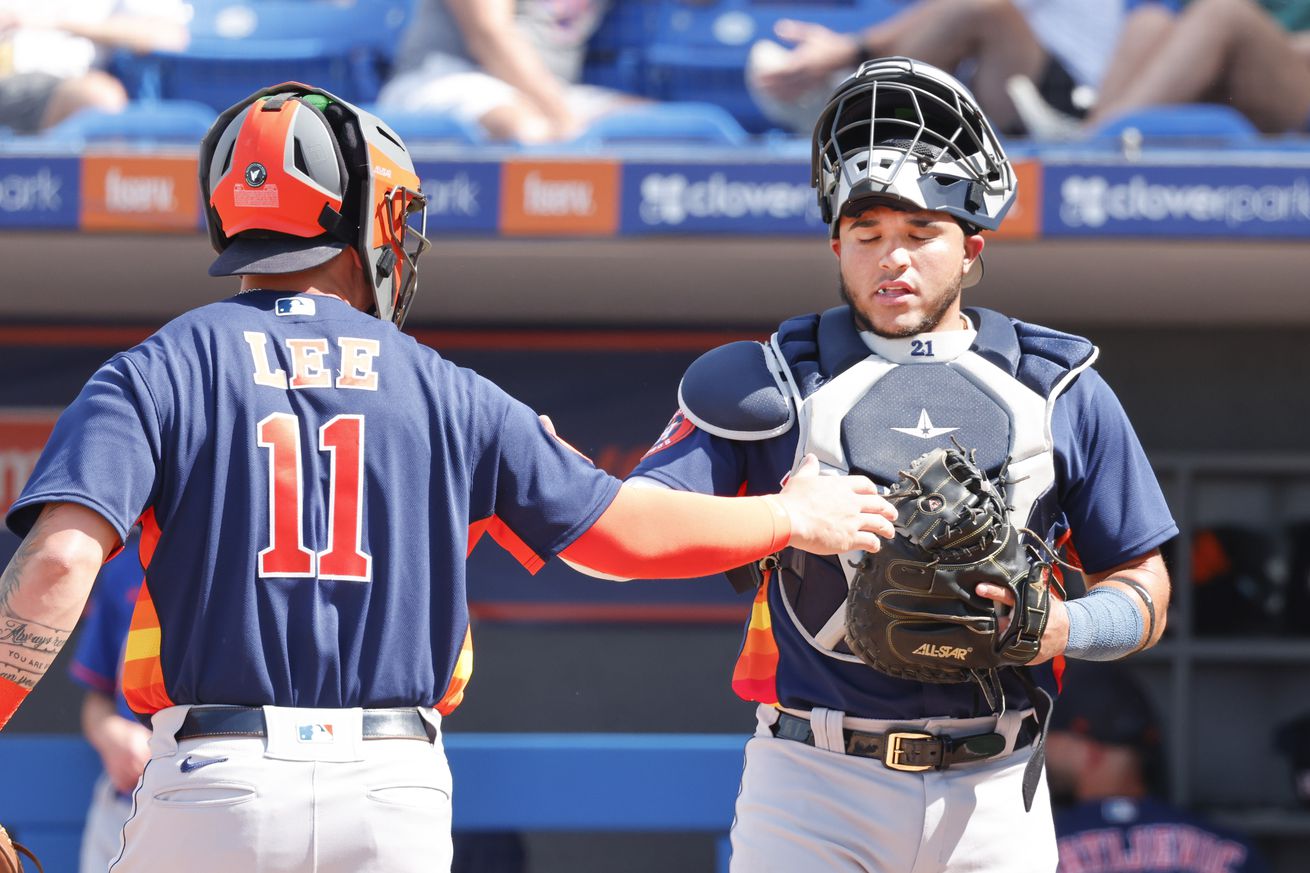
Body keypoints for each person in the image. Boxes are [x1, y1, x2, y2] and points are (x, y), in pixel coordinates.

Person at [0, 81, 896, 873]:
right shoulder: (446, 388)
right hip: (392, 792)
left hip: (214, 778)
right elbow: (622, 539)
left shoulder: (157, 367)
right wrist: (788, 514)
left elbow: (56, 566)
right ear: (361, 221)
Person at [619, 58, 1176, 871]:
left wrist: (1063, 624)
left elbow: (1148, 588)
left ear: (972, 245)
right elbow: (636, 531)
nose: (893, 259)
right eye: (868, 235)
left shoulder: (1059, 389)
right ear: (836, 244)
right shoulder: (766, 378)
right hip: (813, 777)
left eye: (920, 234)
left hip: (997, 782)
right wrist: (781, 516)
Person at [745, 0, 1177, 135]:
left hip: (1078, 105)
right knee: (985, 15)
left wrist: (850, 48)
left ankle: (851, 100)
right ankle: (855, 98)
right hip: (1033, 85)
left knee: (986, 12)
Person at [1049, 661, 1269, 873]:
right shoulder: (1231, 852)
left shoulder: (1039, 850)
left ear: (1090, 751)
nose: (1042, 746)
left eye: (1048, 735)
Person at [378, 0, 637, 143]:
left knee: (648, 126)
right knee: (527, 131)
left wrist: (563, 117)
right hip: (442, 78)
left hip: (552, 93)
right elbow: (488, 35)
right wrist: (565, 121)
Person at [68, 530, 148, 873]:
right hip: (125, 795)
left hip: (214, 789)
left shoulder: (245, 560)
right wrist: (110, 733)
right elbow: (96, 699)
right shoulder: (123, 567)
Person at [0, 0, 189, 135]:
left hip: (58, 88)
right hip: (7, 78)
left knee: (100, 98)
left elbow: (169, 35)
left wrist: (56, 23)